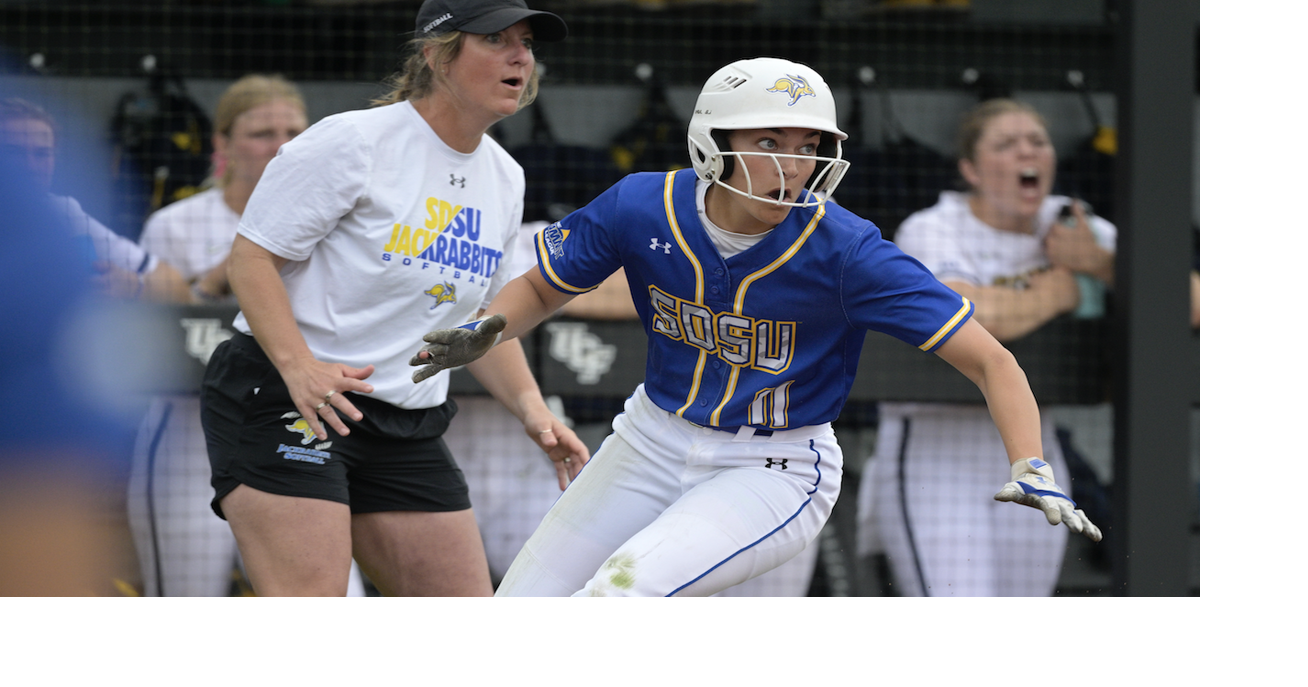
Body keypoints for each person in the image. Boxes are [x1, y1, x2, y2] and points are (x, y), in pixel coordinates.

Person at [410, 58, 1101, 597]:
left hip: (775, 463)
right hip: (650, 436)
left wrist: (1030, 459)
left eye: (809, 145)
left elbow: (992, 359)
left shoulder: (846, 249)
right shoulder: (643, 205)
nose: (792, 165)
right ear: (714, 144)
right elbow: (540, 284)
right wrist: (492, 325)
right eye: (768, 141)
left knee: (628, 583)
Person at [200, 0, 586, 597]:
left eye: (527, 43)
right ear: (436, 55)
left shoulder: (506, 177)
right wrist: (300, 366)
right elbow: (251, 258)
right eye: (496, 40)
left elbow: (477, 326)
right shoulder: (353, 141)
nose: (520, 57)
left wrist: (537, 413)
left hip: (407, 421)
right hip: (293, 400)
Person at [856, 98, 1117, 596]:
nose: (1027, 152)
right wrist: (1061, 290)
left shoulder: (1074, 224)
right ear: (970, 169)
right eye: (1006, 144)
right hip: (935, 447)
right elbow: (971, 313)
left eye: (1037, 141)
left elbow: (1186, 298)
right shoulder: (933, 225)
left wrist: (1101, 263)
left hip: (1033, 449)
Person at [129, 74, 373, 596]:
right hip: (186, 434)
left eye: (293, 129)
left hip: (297, 429)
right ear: (222, 144)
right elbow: (143, 330)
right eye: (262, 132)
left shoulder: (340, 218)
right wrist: (223, 276)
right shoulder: (178, 222)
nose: (282, 144)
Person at [0, 97, 191, 304]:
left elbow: (176, 286)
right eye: (13, 153)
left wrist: (135, 286)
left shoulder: (64, 213)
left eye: (42, 154)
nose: (31, 167)